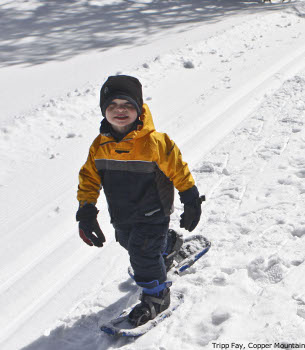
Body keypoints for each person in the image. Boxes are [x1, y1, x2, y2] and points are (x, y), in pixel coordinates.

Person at [76, 75, 203, 326]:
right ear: (104, 110)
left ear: (139, 108)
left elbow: (178, 168)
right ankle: (168, 246)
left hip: (153, 211)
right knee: (127, 240)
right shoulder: (99, 145)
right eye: (112, 105)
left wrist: (191, 198)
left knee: (142, 254)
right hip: (123, 212)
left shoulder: (156, 142)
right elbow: (89, 178)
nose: (120, 111)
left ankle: (157, 296)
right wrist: (86, 210)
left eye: (127, 105)